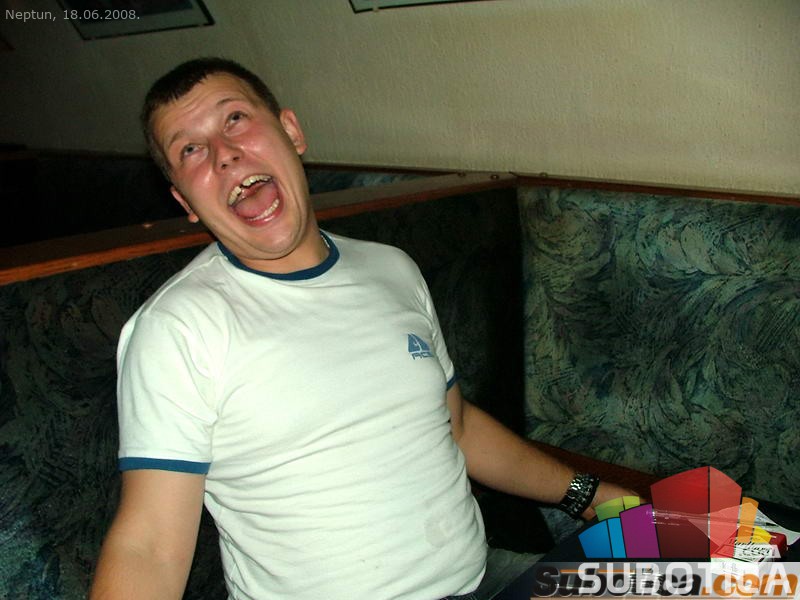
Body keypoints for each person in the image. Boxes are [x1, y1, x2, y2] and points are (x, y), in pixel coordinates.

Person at [90, 57, 633, 600]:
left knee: (685, 555)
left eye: (235, 119)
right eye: (190, 149)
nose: (223, 153)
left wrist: (592, 495)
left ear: (291, 131)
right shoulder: (177, 328)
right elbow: (149, 546)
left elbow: (459, 427)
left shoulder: (391, 268)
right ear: (184, 201)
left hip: (486, 578)